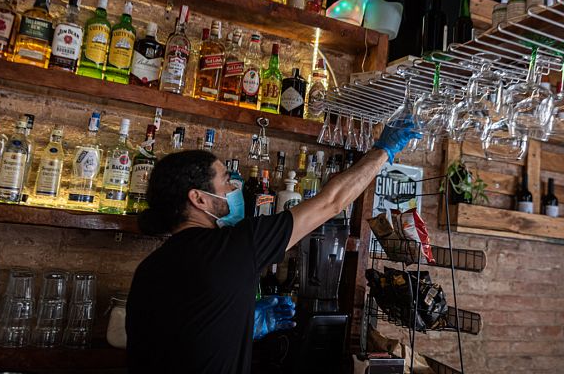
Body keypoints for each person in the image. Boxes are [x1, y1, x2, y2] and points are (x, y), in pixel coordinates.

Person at [125, 122, 420, 373]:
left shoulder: (149, 268)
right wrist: (384, 151)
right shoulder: (236, 245)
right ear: (198, 199)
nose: (233, 189)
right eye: (226, 182)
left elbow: (176, 338)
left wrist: (240, 324)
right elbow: (332, 202)